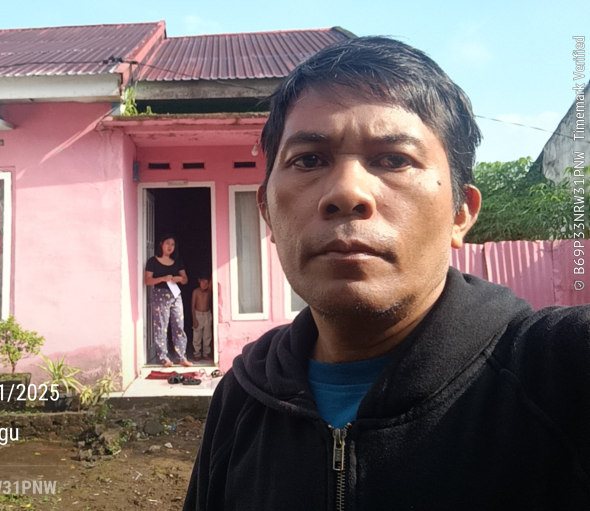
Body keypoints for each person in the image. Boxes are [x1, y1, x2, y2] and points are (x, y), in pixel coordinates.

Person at [183, 37, 590, 510]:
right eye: (308, 160)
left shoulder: (562, 375)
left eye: (394, 159)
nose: (347, 193)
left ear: (461, 212)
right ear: (267, 213)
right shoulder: (243, 396)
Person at [145, 234, 193, 368]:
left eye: (172, 244)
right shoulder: (152, 261)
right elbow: (147, 280)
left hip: (176, 295)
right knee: (161, 326)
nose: (170, 247)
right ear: (161, 244)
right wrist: (162, 278)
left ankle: (181, 357)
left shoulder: (177, 261)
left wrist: (179, 279)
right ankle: (163, 358)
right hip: (160, 295)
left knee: (179, 325)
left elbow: (185, 279)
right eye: (167, 243)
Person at [191, 275, 213, 362]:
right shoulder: (196, 292)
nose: (205, 284)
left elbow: (211, 281)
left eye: (207, 282)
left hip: (207, 315)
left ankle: (206, 354)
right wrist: (194, 319)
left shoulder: (209, 291)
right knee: (197, 336)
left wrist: (211, 276)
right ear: (199, 280)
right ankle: (197, 354)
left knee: (207, 336)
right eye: (203, 282)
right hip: (198, 315)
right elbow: (192, 306)